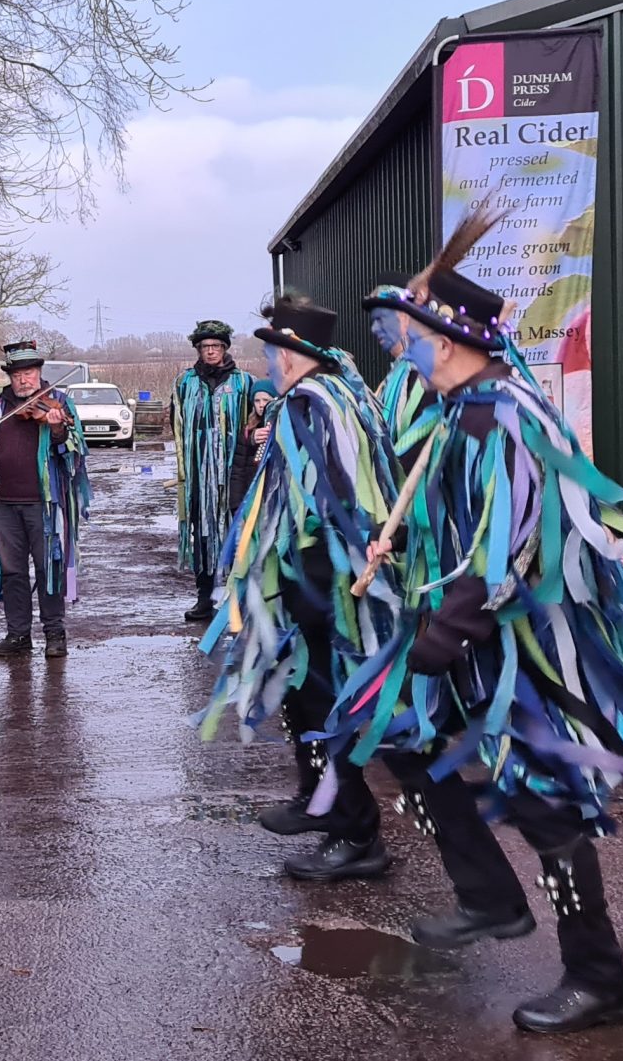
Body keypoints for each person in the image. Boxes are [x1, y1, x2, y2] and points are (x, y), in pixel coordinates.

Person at [347, 204, 623, 1034]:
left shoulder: (502, 414)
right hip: (475, 641)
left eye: (410, 338)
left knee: (544, 805)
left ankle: (599, 978)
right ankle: (490, 897)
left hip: (524, 651)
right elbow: (462, 529)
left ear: (446, 342)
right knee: (398, 737)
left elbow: (514, 546)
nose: (401, 351)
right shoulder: (458, 413)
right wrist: (403, 545)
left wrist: (440, 634)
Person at [200, 295, 398, 882]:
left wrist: (303, 569)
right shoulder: (333, 395)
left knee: (324, 699)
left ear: (289, 355)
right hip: (319, 566)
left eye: (271, 352)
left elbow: (334, 493)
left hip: (322, 572)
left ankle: (355, 832)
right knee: (301, 689)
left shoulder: (311, 405)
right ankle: (318, 797)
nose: (268, 362)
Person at [0, 340, 91, 659]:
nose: (24, 380)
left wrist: (58, 430)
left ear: (39, 373)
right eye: (18, 375)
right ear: (10, 377)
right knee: (12, 571)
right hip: (3, 503)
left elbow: (74, 452)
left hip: (45, 504)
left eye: (29, 373)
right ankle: (18, 635)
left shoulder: (58, 402)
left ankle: (55, 634)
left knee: (49, 568)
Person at [174, 320, 257, 623]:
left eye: (216, 346)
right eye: (205, 346)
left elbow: (255, 422)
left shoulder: (243, 382)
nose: (210, 351)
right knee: (202, 534)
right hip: (198, 474)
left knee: (236, 533)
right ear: (198, 349)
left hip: (234, 473)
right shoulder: (185, 382)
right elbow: (178, 427)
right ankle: (204, 597)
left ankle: (238, 599)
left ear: (225, 348)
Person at [222, 381, 278, 518]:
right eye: (257, 401)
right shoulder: (247, 430)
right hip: (251, 497)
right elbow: (238, 471)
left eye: (266, 400)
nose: (261, 404)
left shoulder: (283, 425)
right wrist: (236, 505)